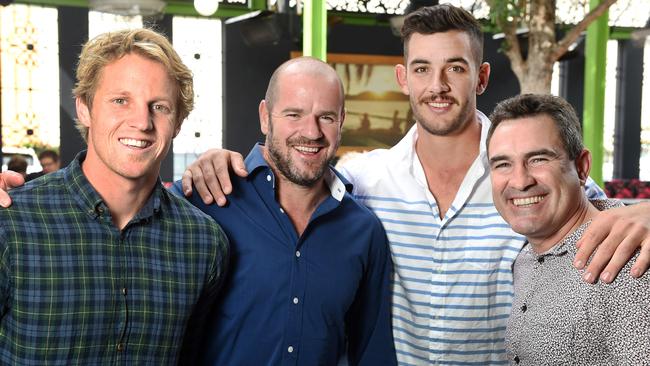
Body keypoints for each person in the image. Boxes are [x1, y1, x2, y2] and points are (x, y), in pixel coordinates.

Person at [178, 4, 650, 365]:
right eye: (423, 68)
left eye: (456, 68)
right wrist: (219, 161)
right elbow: (297, 174)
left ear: (482, 76)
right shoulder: (363, 180)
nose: (438, 85)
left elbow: (589, 211)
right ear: (404, 78)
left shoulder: (520, 182)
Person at [0, 28, 228, 364]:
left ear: (178, 121)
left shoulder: (204, 243)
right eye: (121, 101)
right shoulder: (12, 222)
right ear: (84, 109)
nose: (141, 121)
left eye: (160, 107)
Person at [169, 56, 396, 365]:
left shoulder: (365, 231)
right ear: (266, 117)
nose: (311, 132)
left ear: (342, 120)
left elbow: (373, 352)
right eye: (294, 114)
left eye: (326, 117)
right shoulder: (208, 199)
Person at [487, 94, 650, 365]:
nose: (520, 180)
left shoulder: (627, 263)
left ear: (582, 167)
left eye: (538, 159)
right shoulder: (525, 258)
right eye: (503, 164)